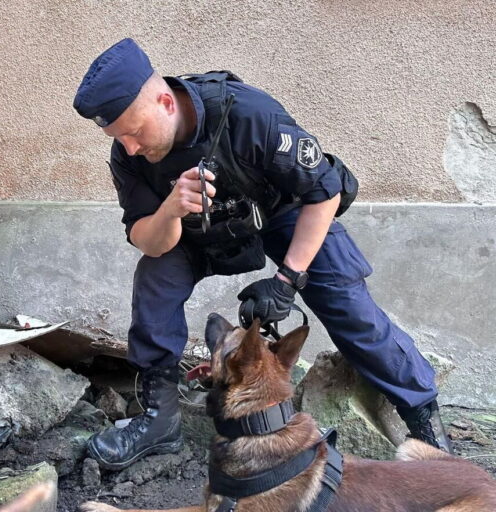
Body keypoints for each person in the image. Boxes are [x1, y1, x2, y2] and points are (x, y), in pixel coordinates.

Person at [73, 38, 451, 470]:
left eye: (135, 131)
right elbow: (147, 238)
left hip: (281, 214)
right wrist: (171, 208)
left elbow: (324, 192)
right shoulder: (129, 154)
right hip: (199, 229)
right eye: (117, 136)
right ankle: (161, 420)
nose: (129, 147)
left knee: (344, 296)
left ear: (165, 101)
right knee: (156, 276)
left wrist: (287, 281)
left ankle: (424, 423)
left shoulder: (249, 115)